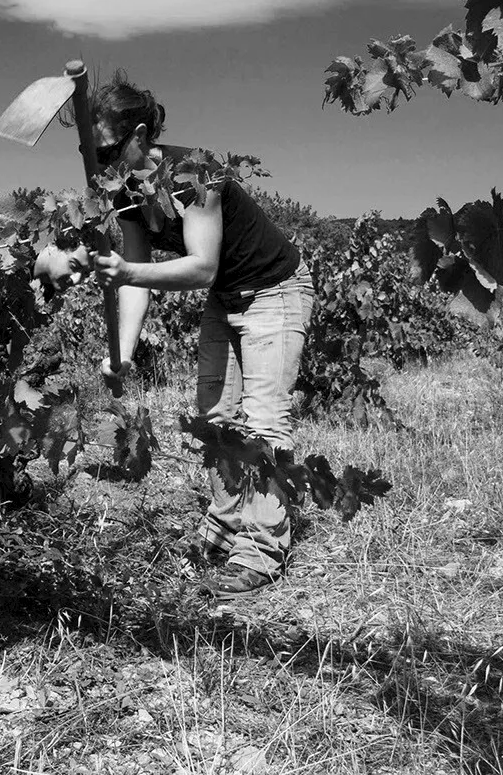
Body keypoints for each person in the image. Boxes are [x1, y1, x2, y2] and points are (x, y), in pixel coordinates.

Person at [38, 70, 316, 596]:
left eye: (108, 149)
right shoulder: (126, 193)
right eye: (91, 153)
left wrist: (126, 273)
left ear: (141, 135)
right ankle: (225, 524)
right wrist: (121, 350)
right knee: (214, 417)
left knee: (263, 423)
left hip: (274, 292)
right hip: (227, 298)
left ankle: (261, 548)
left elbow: (200, 267)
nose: (100, 163)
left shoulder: (195, 174)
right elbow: (136, 275)